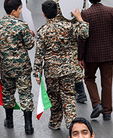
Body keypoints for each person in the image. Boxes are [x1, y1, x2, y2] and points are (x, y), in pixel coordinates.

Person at [33, 0, 89, 130]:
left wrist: (37, 73)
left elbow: (39, 54)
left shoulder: (42, 31)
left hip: (51, 71)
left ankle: (55, 122)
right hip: (68, 69)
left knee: (53, 97)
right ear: (58, 11)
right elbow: (84, 32)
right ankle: (72, 124)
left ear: (44, 14)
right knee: (69, 96)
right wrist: (79, 18)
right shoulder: (67, 27)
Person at [0, 0, 36, 134]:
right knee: (26, 95)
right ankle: (28, 126)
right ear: (13, 11)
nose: (20, 11)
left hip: (6, 68)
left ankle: (9, 121)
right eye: (19, 9)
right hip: (22, 67)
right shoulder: (22, 26)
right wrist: (31, 35)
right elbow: (29, 45)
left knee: (8, 94)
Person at [78, 0, 113, 121]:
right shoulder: (111, 11)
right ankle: (107, 111)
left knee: (89, 78)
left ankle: (97, 104)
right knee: (107, 81)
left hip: (91, 55)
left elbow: (83, 37)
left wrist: (80, 56)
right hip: (108, 52)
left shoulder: (85, 14)